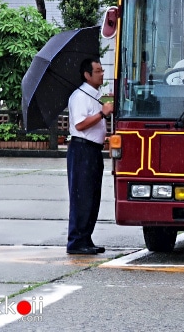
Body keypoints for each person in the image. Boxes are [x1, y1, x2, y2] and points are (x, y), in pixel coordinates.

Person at [66, 58, 113, 255]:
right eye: (98, 71)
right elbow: (80, 125)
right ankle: (76, 240)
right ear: (87, 75)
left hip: (93, 150)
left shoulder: (94, 95)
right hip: (82, 149)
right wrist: (102, 114)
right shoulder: (79, 96)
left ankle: (86, 237)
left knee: (93, 196)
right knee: (81, 195)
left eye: (102, 70)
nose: (102, 73)